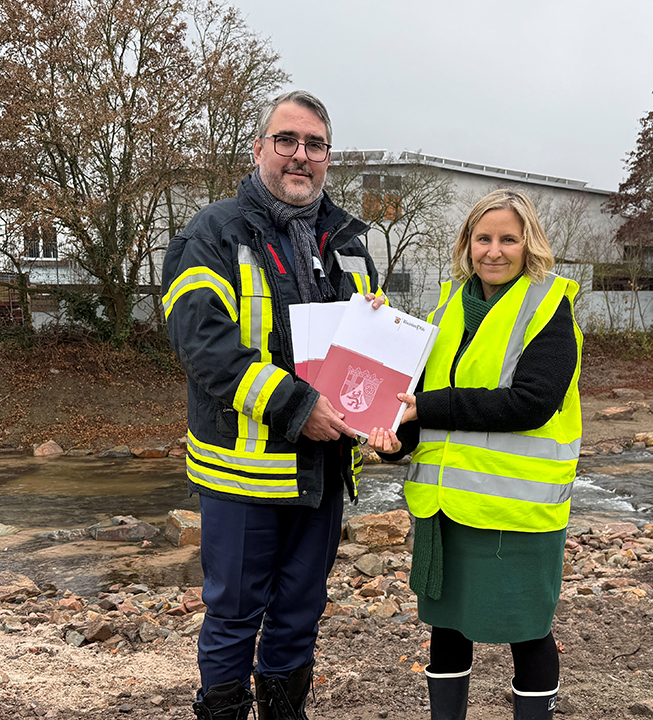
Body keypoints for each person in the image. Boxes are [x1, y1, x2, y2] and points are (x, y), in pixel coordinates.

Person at [162, 90, 382, 720]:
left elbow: (366, 348)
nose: (300, 156)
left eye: (314, 145)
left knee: (299, 610)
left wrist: (384, 406)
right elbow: (202, 343)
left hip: (323, 465)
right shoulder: (214, 232)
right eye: (286, 140)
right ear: (259, 149)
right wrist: (295, 407)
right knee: (234, 613)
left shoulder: (348, 243)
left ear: (328, 159)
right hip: (243, 467)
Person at [367, 188, 582, 720]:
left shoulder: (549, 304)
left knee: (528, 631)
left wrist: (423, 410)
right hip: (444, 507)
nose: (494, 250)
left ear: (529, 243)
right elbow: (415, 406)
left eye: (508, 238)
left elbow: (531, 404)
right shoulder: (444, 309)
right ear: (467, 243)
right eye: (483, 238)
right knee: (448, 629)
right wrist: (396, 443)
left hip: (517, 513)